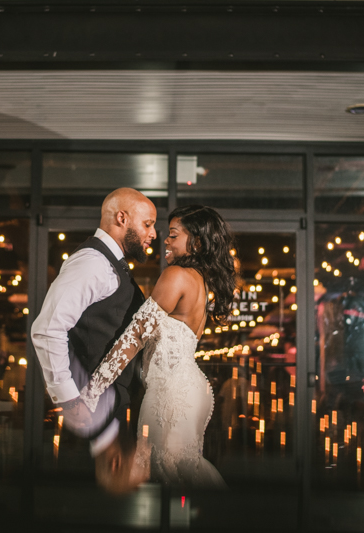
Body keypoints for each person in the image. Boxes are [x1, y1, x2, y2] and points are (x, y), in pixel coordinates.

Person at [79, 205, 237, 489]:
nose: (165, 239)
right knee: (178, 471)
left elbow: (135, 335)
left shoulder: (176, 275)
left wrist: (94, 387)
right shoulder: (201, 282)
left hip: (170, 392)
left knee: (165, 471)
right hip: (189, 389)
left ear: (197, 242)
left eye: (174, 234)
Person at [31, 188, 157, 446]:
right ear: (122, 218)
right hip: (90, 410)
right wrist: (69, 400)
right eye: (147, 224)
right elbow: (47, 329)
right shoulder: (92, 262)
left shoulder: (110, 263)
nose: (153, 234)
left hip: (107, 405)